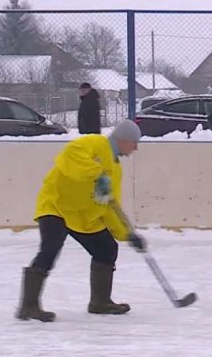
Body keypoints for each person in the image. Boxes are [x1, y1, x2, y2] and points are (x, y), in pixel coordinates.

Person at [16, 120, 146, 322]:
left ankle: (100, 302)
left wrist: (127, 234)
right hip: (56, 206)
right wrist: (96, 173)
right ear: (123, 140)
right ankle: (29, 306)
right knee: (50, 248)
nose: (136, 148)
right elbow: (69, 159)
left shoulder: (115, 168)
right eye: (134, 143)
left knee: (106, 248)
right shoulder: (93, 143)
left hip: (82, 216)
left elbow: (109, 205)